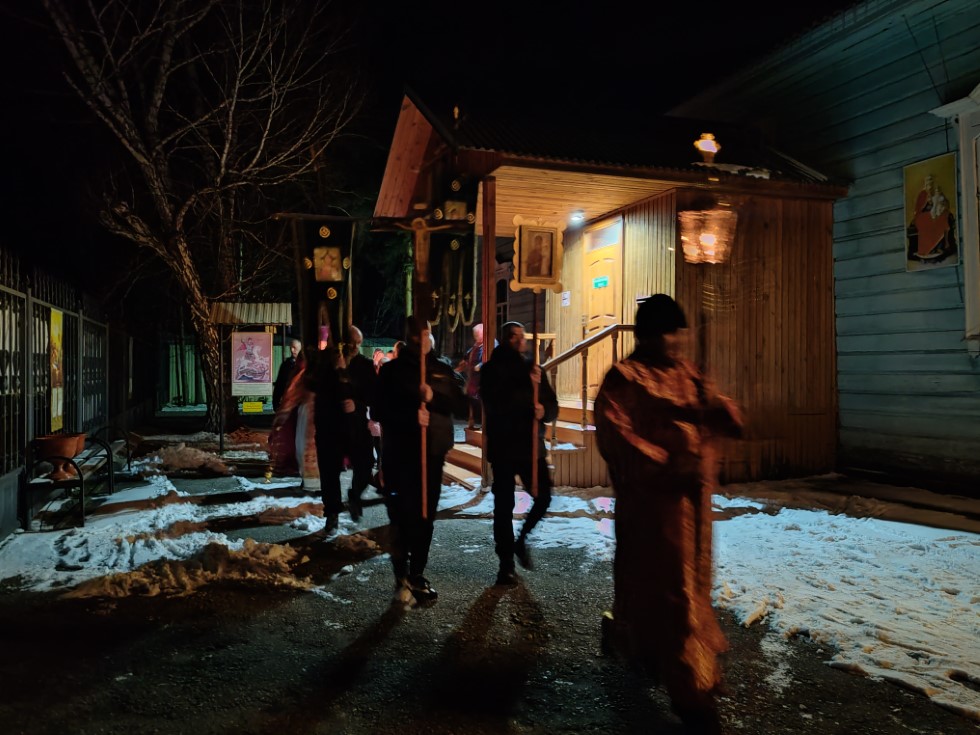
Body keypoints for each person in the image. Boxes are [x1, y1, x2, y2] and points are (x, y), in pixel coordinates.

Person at [594, 294, 743, 735]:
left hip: (692, 507)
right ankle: (690, 690)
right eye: (665, 333)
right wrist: (667, 464)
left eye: (677, 333)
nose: (674, 342)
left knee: (691, 590)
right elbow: (616, 435)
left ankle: (651, 652)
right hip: (653, 508)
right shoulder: (625, 377)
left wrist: (722, 412)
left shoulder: (688, 373)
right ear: (646, 335)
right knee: (669, 594)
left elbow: (715, 410)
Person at [373, 317, 467, 606]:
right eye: (421, 334)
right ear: (413, 337)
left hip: (432, 454)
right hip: (400, 454)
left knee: (425, 517)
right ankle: (400, 571)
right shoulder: (393, 371)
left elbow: (460, 406)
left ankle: (417, 573)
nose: (426, 339)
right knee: (401, 517)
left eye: (428, 334)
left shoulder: (441, 369)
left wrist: (433, 396)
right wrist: (410, 413)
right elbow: (378, 410)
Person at [478, 320, 558, 586]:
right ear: (508, 339)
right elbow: (496, 404)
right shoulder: (492, 370)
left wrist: (543, 411)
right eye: (517, 336)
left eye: (523, 336)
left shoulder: (533, 369)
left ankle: (521, 540)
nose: (522, 340)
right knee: (504, 507)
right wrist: (528, 394)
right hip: (504, 446)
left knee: (543, 497)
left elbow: (552, 406)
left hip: (530, 446)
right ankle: (506, 565)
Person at [308, 345, 355, 534]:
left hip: (353, 425)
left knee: (363, 466)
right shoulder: (321, 364)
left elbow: (365, 391)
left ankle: (355, 498)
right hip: (328, 427)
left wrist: (343, 371)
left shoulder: (358, 364)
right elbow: (311, 383)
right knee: (329, 472)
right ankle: (332, 512)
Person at [344, 326, 377, 521]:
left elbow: (372, 394)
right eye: (352, 342)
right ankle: (331, 512)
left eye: (358, 342)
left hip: (357, 421)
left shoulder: (365, 365)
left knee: (365, 463)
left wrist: (356, 403)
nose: (355, 346)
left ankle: (355, 494)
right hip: (336, 423)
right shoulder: (333, 363)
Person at [464, 323, 494, 429]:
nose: (475, 337)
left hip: (483, 377)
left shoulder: (491, 342)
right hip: (474, 377)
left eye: (477, 335)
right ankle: (472, 421)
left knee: (484, 400)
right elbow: (469, 353)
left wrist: (480, 365)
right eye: (475, 335)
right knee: (471, 398)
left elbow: (491, 358)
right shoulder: (477, 344)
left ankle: (485, 424)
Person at [272, 338, 302, 411]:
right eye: (291, 348)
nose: (292, 350)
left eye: (294, 347)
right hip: (288, 403)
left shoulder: (306, 364)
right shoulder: (286, 365)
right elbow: (279, 384)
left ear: (301, 348)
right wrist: (276, 403)